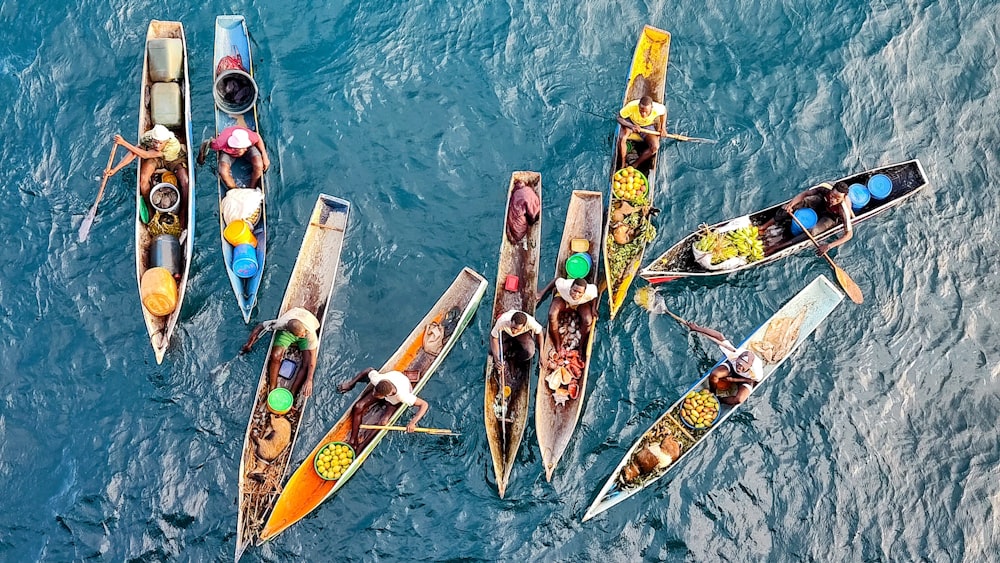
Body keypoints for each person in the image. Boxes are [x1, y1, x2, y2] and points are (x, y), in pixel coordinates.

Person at [337, 367, 430, 447]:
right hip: (392, 381)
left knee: (383, 422)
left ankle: (362, 445)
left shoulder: (402, 396)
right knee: (358, 406)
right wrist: (350, 384)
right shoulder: (377, 380)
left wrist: (413, 422)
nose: (373, 394)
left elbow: (424, 404)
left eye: (376, 395)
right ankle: (353, 440)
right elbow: (368, 370)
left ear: (386, 395)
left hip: (395, 400)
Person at [241, 307, 320, 398]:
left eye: (303, 334)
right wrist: (249, 344)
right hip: (290, 332)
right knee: (275, 356)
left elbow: (313, 357)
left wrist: (309, 380)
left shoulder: (309, 334)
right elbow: (260, 326)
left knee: (306, 363)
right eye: (300, 335)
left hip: (306, 329)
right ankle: (272, 389)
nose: (303, 335)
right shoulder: (281, 323)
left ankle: (292, 394)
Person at [683, 320, 763, 405]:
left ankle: (719, 401)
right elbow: (719, 336)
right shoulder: (734, 354)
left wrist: (734, 380)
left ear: (749, 367)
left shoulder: (756, 373)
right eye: (739, 364)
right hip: (731, 369)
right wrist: (696, 328)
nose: (739, 367)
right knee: (714, 374)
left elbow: (753, 381)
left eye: (742, 367)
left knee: (739, 399)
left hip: (745, 379)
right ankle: (712, 393)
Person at [108, 124, 190, 207]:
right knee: (143, 179)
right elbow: (134, 152)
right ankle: (149, 205)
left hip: (173, 159)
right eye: (155, 142)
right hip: (155, 158)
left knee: (185, 181)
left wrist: (123, 143)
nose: (157, 145)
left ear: (166, 141)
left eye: (161, 143)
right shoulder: (147, 138)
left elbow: (146, 155)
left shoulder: (173, 145)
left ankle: (183, 210)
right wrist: (115, 169)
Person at [764, 182, 853, 256]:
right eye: (832, 196)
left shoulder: (843, 210)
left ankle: (777, 247)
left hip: (831, 216)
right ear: (831, 191)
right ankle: (764, 226)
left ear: (844, 198)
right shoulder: (824, 188)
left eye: (838, 199)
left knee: (813, 231)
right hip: (822, 203)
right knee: (796, 203)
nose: (833, 200)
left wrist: (828, 246)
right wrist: (791, 205)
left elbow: (848, 235)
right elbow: (805, 194)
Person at [537, 276, 600, 352]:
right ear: (571, 287)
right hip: (564, 300)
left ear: (584, 292)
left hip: (579, 304)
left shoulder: (590, 291)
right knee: (552, 314)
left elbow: (594, 296)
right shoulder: (564, 285)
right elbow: (556, 280)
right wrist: (542, 292)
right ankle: (557, 344)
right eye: (574, 290)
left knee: (588, 320)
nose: (576, 294)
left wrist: (593, 309)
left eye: (580, 293)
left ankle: (581, 346)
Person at [199, 125, 270, 190]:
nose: (240, 151)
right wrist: (201, 158)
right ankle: (235, 190)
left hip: (248, 145)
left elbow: (258, 138)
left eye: (242, 149)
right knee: (223, 171)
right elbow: (206, 143)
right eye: (237, 150)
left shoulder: (250, 137)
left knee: (259, 165)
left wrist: (264, 155)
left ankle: (252, 187)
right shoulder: (221, 143)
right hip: (228, 151)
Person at [615, 95, 666, 170]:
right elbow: (619, 117)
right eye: (641, 111)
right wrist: (631, 126)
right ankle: (622, 164)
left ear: (651, 108)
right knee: (622, 138)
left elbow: (664, 113)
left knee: (655, 147)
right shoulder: (631, 106)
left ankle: (635, 165)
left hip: (647, 126)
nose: (643, 114)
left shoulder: (658, 108)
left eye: (646, 112)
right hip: (632, 123)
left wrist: (663, 128)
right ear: (638, 106)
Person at [489, 310, 544, 375]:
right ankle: (508, 346)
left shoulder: (531, 322)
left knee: (530, 352)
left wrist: (541, 354)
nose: (514, 331)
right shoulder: (502, 321)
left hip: (522, 334)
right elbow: (494, 337)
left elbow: (540, 333)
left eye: (517, 329)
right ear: (511, 321)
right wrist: (496, 359)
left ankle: (514, 359)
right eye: (513, 328)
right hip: (506, 332)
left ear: (524, 326)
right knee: (491, 351)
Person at [506, 179, 540, 245]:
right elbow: (533, 215)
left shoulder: (517, 192)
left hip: (514, 218)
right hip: (518, 229)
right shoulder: (528, 191)